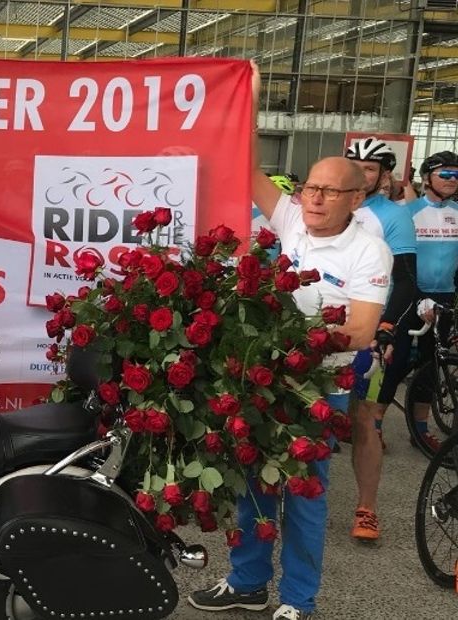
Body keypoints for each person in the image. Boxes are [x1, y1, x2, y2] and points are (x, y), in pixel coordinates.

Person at [187, 63, 392, 620]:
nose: (315, 199)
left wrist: (285, 338)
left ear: (357, 198)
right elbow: (246, 163)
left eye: (330, 192)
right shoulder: (293, 222)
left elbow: (362, 330)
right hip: (269, 377)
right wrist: (246, 98)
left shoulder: (369, 250)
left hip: (321, 385)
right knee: (253, 481)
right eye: (309, 187)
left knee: (304, 492)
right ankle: (248, 584)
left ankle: (299, 599)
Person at [341, 136, 419, 542]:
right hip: (321, 327)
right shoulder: (331, 203)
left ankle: (367, 508)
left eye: (369, 168)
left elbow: (406, 282)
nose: (361, 173)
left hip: (368, 330)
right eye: (354, 165)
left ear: (383, 175)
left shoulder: (392, 215)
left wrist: (385, 328)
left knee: (364, 419)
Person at [398, 151, 458, 454]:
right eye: (445, 174)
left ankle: (420, 430)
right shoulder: (408, 212)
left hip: (445, 296)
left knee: (432, 364)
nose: (452, 180)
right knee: (393, 362)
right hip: (411, 295)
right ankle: (374, 424)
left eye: (456, 174)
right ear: (426, 179)